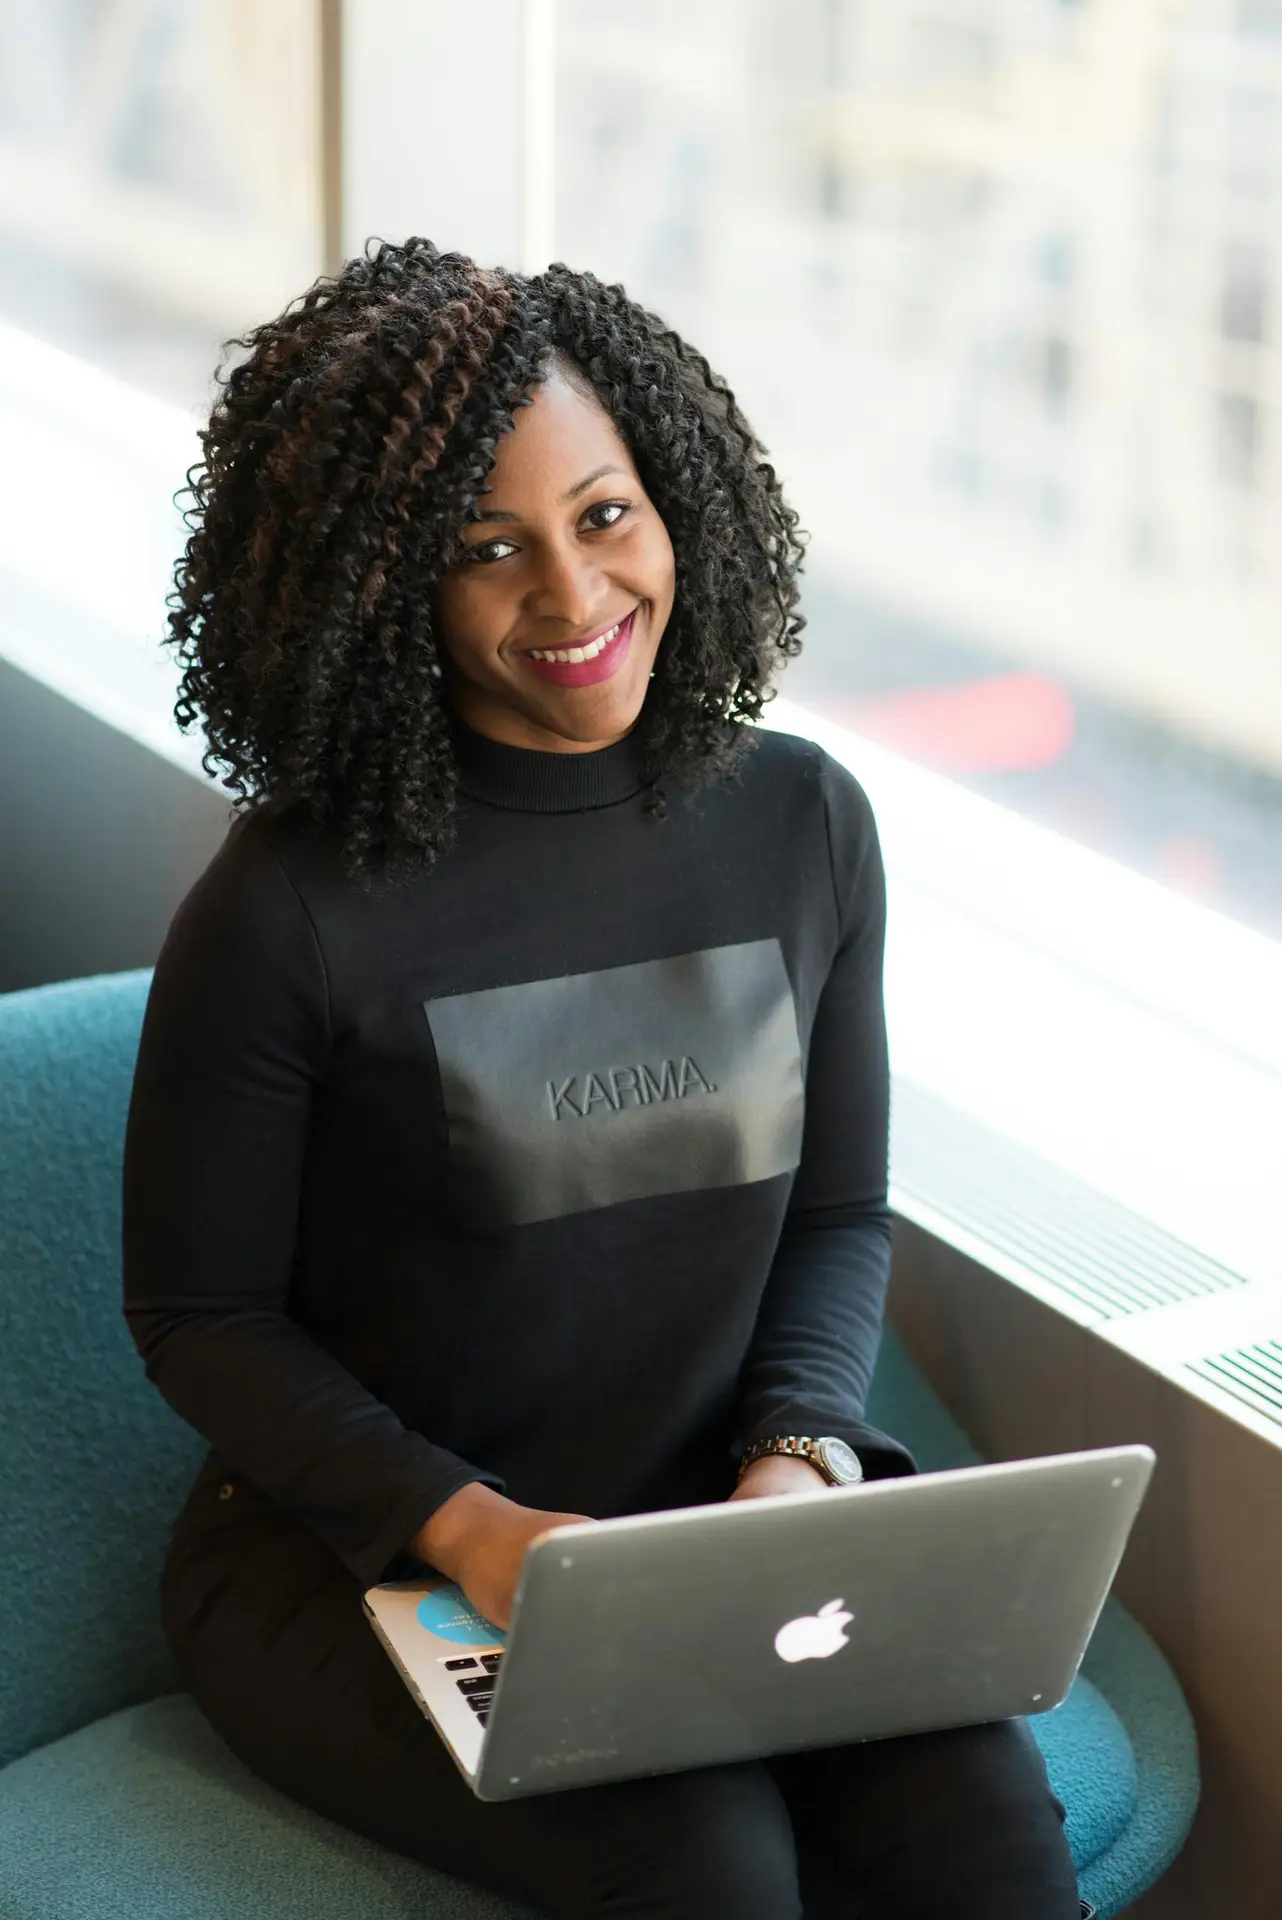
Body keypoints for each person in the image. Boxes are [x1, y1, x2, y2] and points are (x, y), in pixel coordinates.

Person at [122, 237, 1090, 1919]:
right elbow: (201, 1321)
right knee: (705, 1868)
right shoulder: (288, 903)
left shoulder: (799, 823)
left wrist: (795, 1457)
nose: (570, 601)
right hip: (370, 1563)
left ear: (676, 503)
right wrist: (478, 1530)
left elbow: (837, 1208)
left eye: (602, 515)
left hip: (723, 1538)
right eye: (485, 550)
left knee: (983, 1844)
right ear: (381, 589)